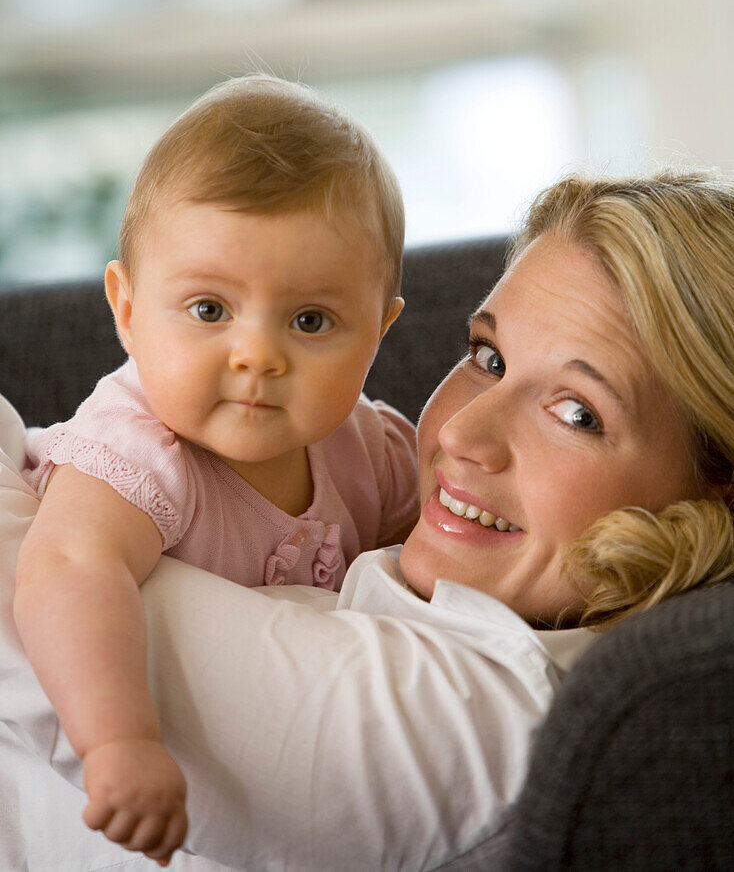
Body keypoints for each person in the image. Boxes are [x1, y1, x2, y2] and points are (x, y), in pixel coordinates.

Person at [2, 168, 732, 871]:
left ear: (716, 493)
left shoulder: (472, 712)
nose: (459, 436)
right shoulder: (388, 495)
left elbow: (32, 593)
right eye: (488, 357)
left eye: (577, 413)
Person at [12, 76, 419, 865]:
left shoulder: (369, 448)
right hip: (90, 777)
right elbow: (67, 569)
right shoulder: (139, 448)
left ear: (378, 330)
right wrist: (119, 741)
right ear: (126, 310)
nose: (258, 354)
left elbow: (429, 558)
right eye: (209, 309)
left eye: (310, 320)